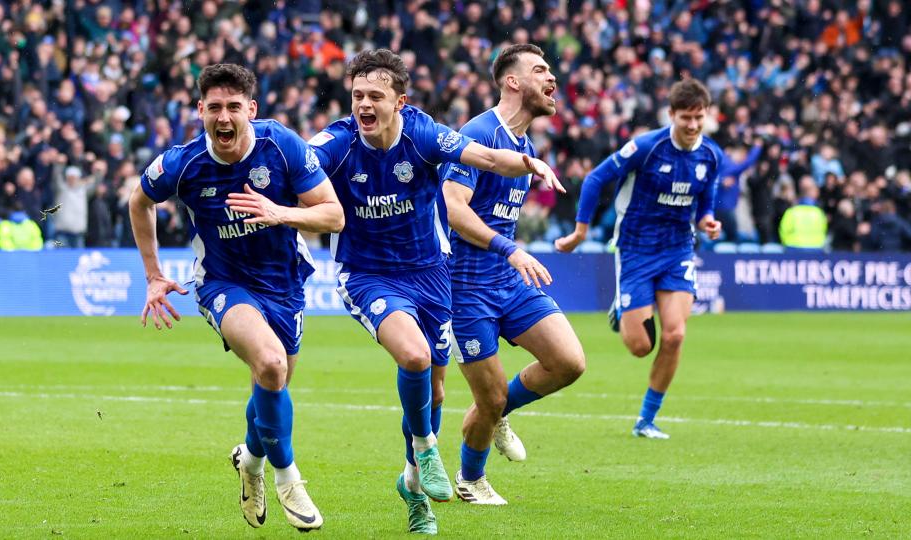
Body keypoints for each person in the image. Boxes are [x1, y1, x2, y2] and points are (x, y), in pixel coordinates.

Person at [309, 48, 562, 535]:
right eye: (357, 94)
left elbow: (487, 157)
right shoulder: (337, 144)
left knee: (438, 389)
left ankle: (413, 489)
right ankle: (426, 449)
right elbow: (297, 170)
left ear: (399, 102)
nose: (363, 104)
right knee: (416, 357)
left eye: (375, 96)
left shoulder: (423, 133)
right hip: (367, 274)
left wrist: (529, 162)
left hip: (430, 273)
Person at [128, 64, 344, 532]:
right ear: (199, 110)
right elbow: (138, 201)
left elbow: (333, 215)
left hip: (284, 285)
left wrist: (278, 212)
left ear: (251, 109)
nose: (223, 118)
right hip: (222, 283)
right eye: (214, 108)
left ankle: (249, 462)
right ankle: (289, 479)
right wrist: (153, 275)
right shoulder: (183, 164)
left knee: (272, 385)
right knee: (269, 365)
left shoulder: (281, 146)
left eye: (232, 107)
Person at [439, 44, 585, 505]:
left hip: (508, 279)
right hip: (465, 288)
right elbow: (453, 208)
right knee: (490, 396)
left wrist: (509, 253)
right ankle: (470, 479)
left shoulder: (526, 146)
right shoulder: (479, 133)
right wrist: (510, 248)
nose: (552, 79)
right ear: (512, 81)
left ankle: (499, 410)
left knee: (568, 362)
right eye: (540, 70)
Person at [556, 79, 723, 439]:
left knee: (675, 335)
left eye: (699, 118)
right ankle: (622, 309)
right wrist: (581, 232)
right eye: (686, 118)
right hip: (635, 250)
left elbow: (706, 199)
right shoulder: (647, 148)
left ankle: (646, 419)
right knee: (640, 347)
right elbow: (595, 179)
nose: (693, 126)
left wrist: (707, 220)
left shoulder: (711, 155)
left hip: (678, 249)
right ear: (671, 115)